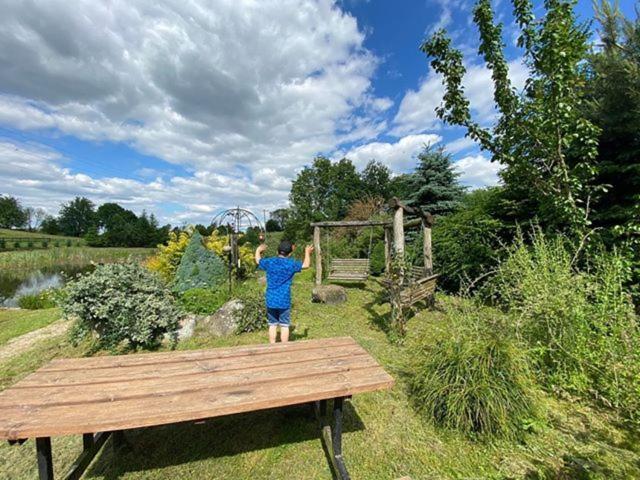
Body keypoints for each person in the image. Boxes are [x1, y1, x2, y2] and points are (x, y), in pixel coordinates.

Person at [255, 240, 313, 343]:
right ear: (290, 253)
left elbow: (258, 260)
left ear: (278, 251)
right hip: (284, 300)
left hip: (271, 299)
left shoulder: (270, 262)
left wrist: (258, 250)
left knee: (272, 325)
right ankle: (284, 347)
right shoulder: (291, 264)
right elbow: (306, 265)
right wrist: (307, 252)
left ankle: (272, 346)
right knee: (284, 325)